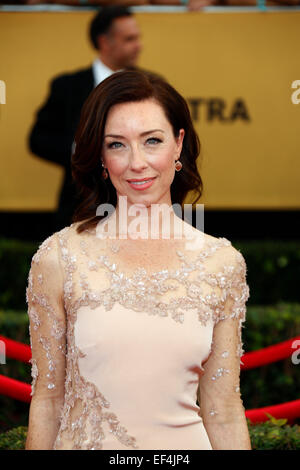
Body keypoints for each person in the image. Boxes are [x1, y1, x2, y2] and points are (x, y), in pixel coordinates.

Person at [25, 70, 251, 450]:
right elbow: (48, 402)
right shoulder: (58, 258)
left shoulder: (221, 263)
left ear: (178, 144)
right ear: (100, 155)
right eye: (117, 145)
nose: (137, 163)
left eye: (152, 141)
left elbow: (223, 408)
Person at [28, 6, 142, 232]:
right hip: (79, 205)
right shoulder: (67, 86)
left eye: (137, 38)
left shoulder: (149, 84)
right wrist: (79, 150)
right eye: (129, 39)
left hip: (137, 208)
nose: (138, 46)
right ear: (105, 42)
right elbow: (38, 139)